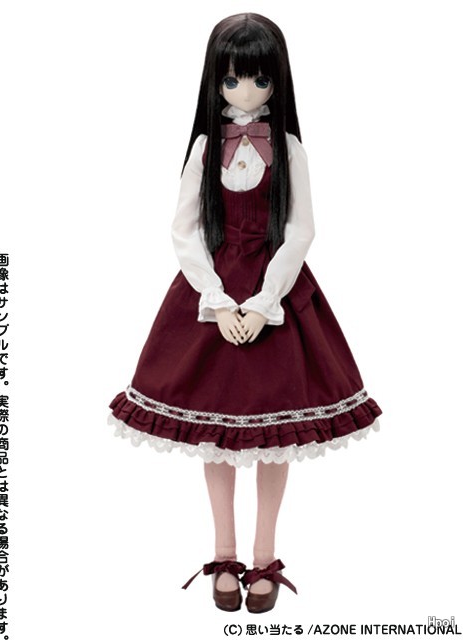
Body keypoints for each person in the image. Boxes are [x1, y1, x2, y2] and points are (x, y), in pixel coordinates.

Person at [108, 12, 382, 614]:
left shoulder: (288, 148)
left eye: (259, 79)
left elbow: (301, 231)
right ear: (215, 81)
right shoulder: (207, 147)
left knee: (275, 433)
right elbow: (183, 230)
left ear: (277, 80)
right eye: (232, 79)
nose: (246, 91)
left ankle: (264, 555)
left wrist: (263, 303)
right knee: (215, 431)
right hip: (214, 291)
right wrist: (215, 298)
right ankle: (224, 552)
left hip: (275, 295)